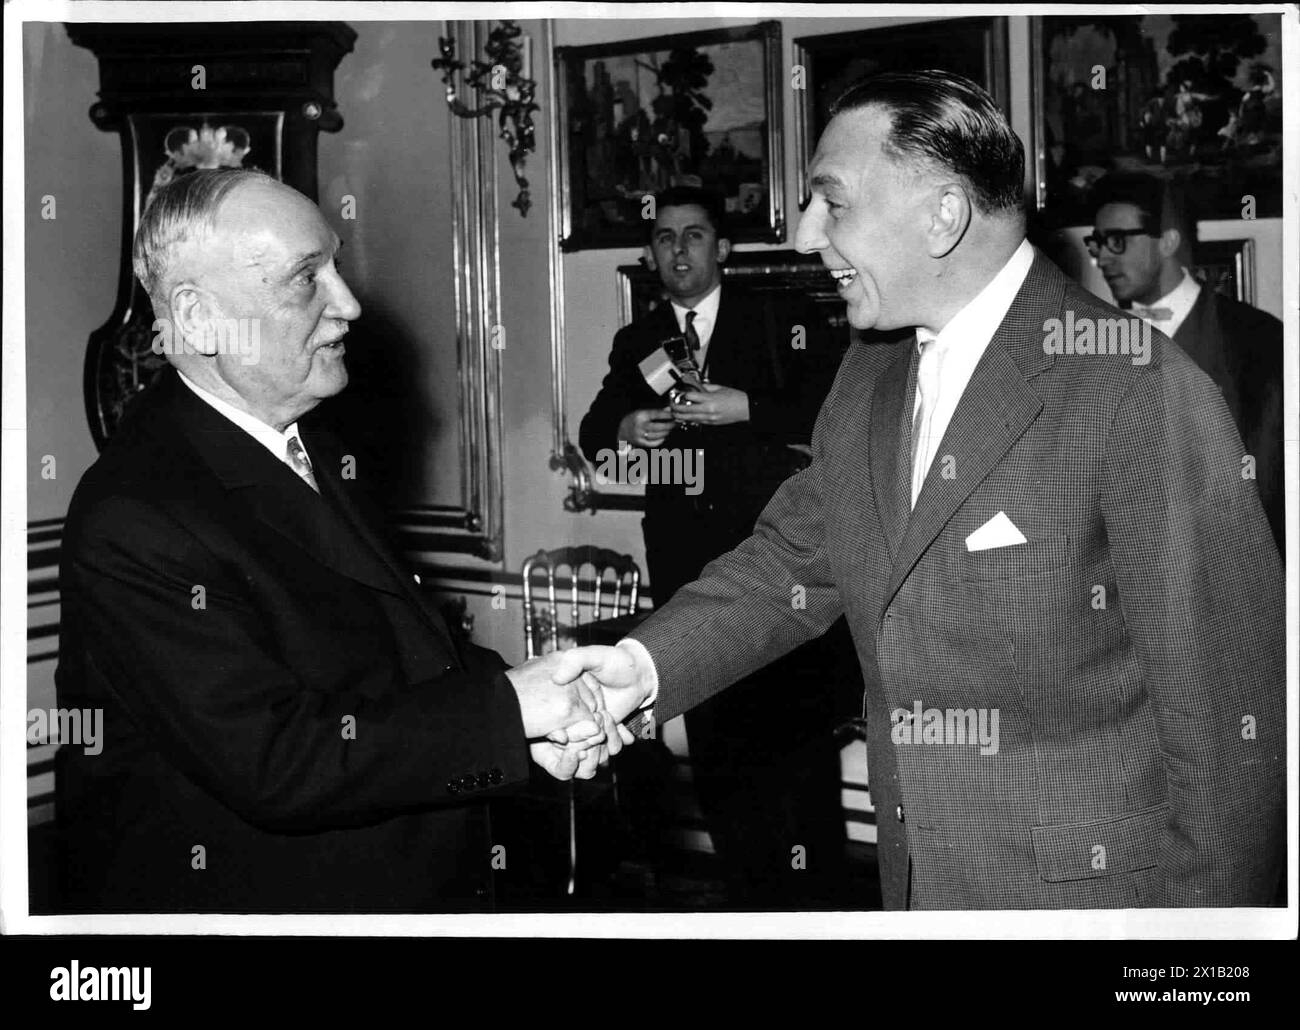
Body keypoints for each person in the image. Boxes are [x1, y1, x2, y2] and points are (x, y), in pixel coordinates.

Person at [571, 70, 1285, 910]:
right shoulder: (870, 374)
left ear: (943, 216)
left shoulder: (1134, 389)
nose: (805, 236)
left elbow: (1234, 730)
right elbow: (792, 561)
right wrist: (639, 668)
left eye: (832, 203)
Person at [54, 168, 625, 914]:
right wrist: (507, 716)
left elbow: (400, 663)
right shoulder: (136, 515)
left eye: (337, 265)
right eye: (306, 279)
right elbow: (280, 765)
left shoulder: (308, 444)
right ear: (198, 320)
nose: (349, 304)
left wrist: (532, 722)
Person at [578, 186, 853, 907]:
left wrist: (749, 409)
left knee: (796, 765)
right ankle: (746, 906)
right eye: (665, 239)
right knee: (720, 761)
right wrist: (630, 425)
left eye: (693, 236)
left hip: (780, 581)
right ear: (651, 252)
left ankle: (818, 912)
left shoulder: (776, 321)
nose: (678, 252)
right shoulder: (637, 342)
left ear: (721, 249)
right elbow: (595, 433)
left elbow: (837, 415)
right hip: (684, 572)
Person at [1087, 171, 1284, 550]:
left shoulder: (1258, 340)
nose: (1102, 260)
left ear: (1169, 242)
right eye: (1098, 244)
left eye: (1117, 241)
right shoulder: (1097, 341)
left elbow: (1273, 483)